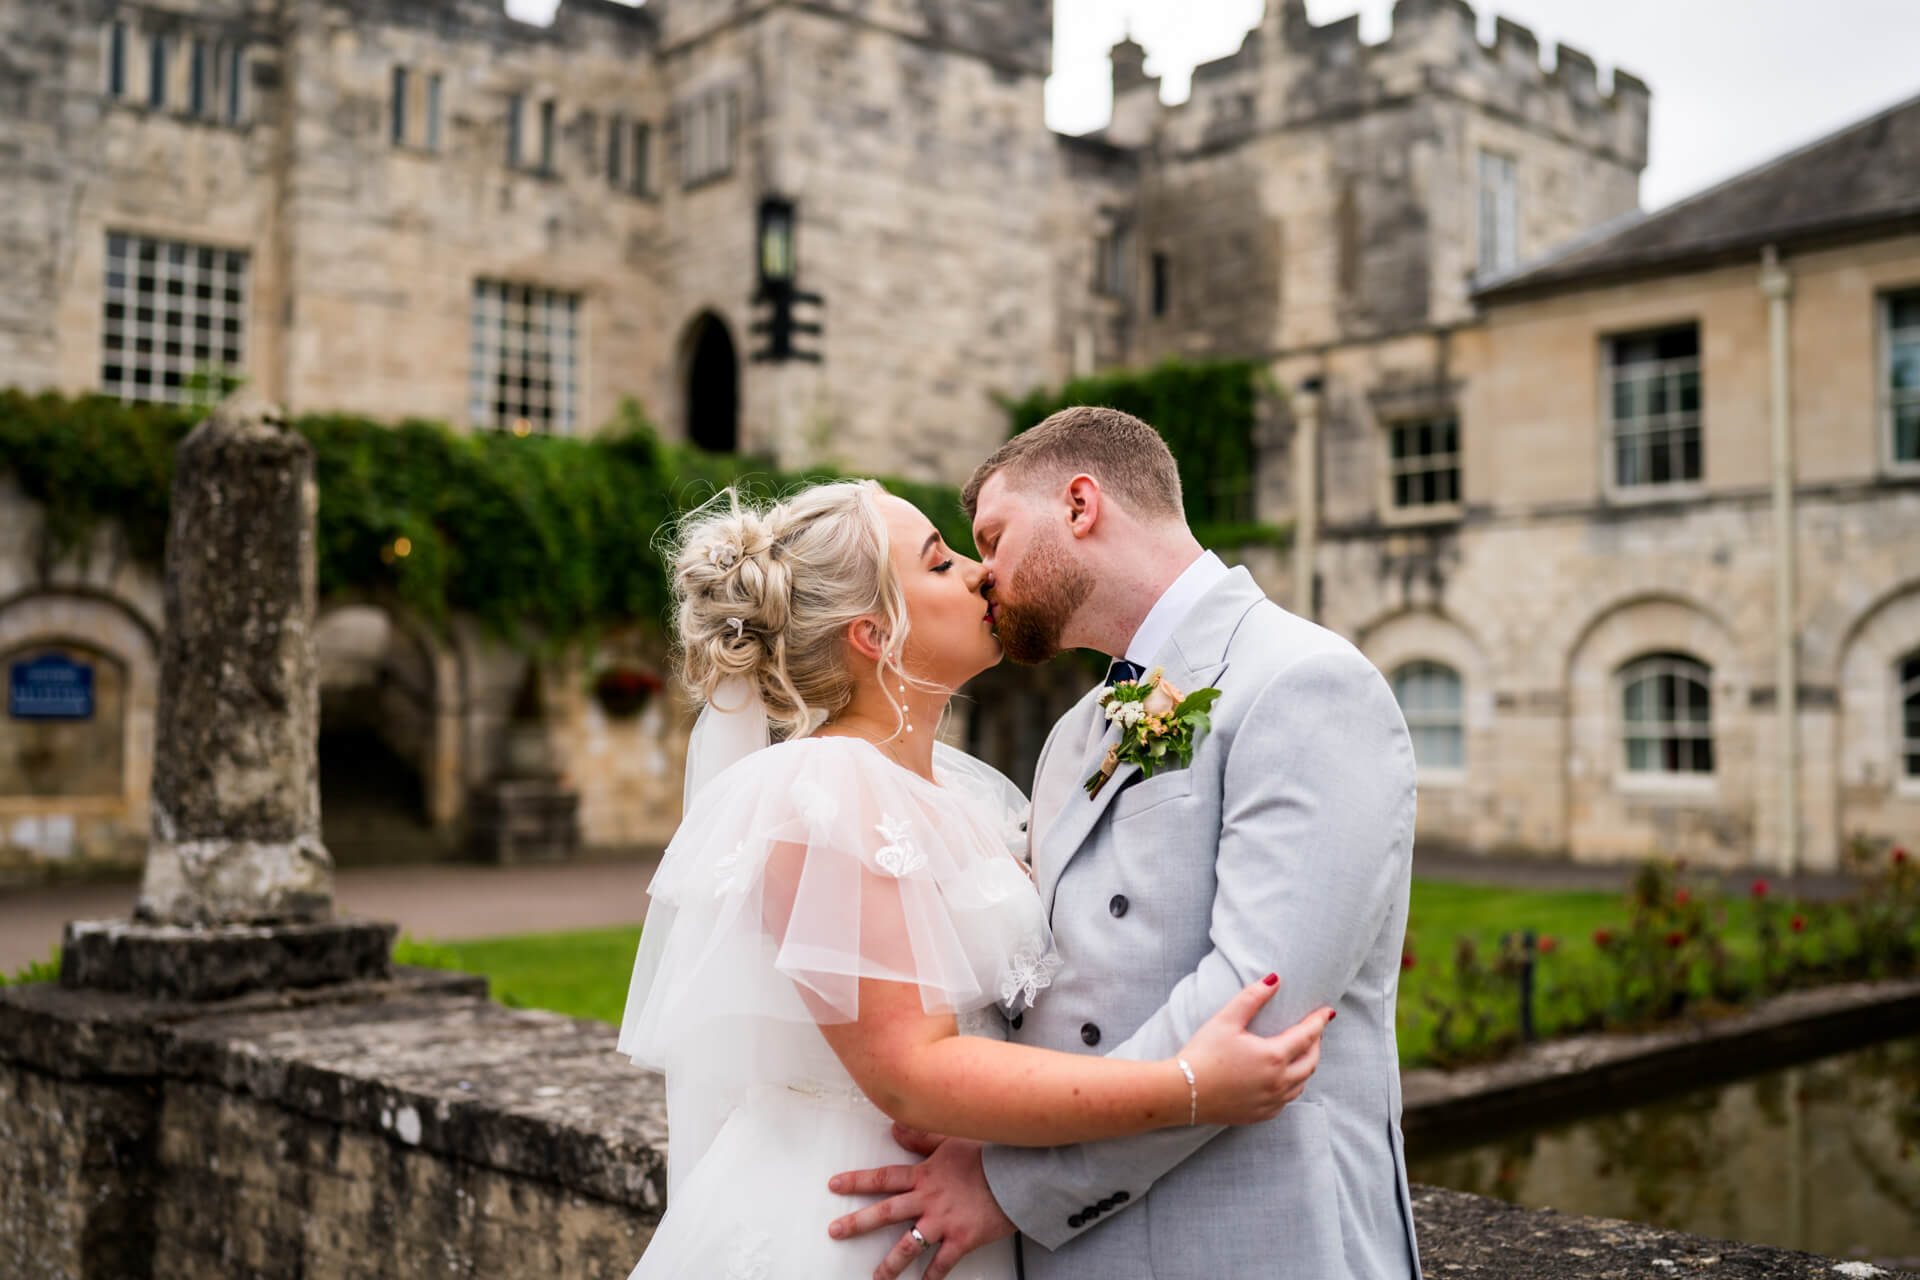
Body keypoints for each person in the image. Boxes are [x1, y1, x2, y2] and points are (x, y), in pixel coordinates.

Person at [618, 478, 1336, 1280]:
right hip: (849, 1231)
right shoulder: (823, 790)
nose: (978, 573)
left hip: (963, 1217)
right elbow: (912, 1071)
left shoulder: (962, 795)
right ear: (874, 631)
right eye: (939, 562)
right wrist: (1188, 1086)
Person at [827, 407, 1422, 1279]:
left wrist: (1007, 1185)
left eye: (991, 537)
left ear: (1079, 505)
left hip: (1254, 1238)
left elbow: (1261, 1007)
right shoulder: (1076, 732)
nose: (983, 575)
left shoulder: (1305, 681)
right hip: (1076, 1254)